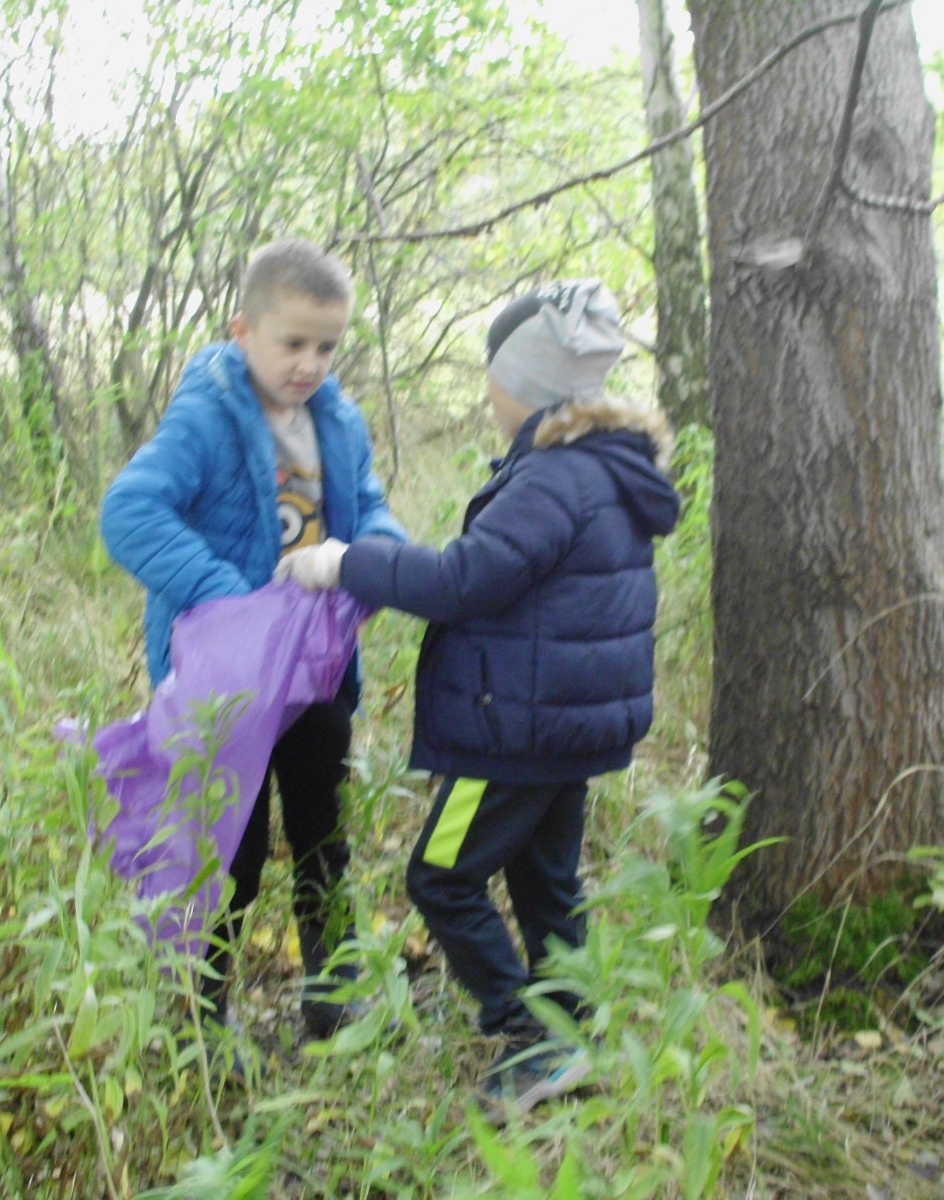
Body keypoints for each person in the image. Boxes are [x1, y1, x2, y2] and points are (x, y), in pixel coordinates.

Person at [278, 279, 681, 1116]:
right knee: (545, 881)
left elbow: (463, 581)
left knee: (439, 878)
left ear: (525, 384)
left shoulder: (552, 479)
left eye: (493, 377)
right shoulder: (601, 465)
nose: (490, 394)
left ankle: (531, 1037)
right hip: (563, 730)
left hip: (513, 735)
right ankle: (570, 1024)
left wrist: (345, 563)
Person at [99, 238, 406, 1051]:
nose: (310, 364)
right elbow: (129, 512)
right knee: (227, 849)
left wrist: (375, 553)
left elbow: (367, 502)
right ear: (243, 331)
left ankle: (333, 1002)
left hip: (314, 674)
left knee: (322, 838)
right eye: (292, 343)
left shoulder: (338, 419)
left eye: (326, 346)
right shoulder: (208, 414)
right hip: (227, 681)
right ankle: (204, 1020)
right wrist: (228, 599)